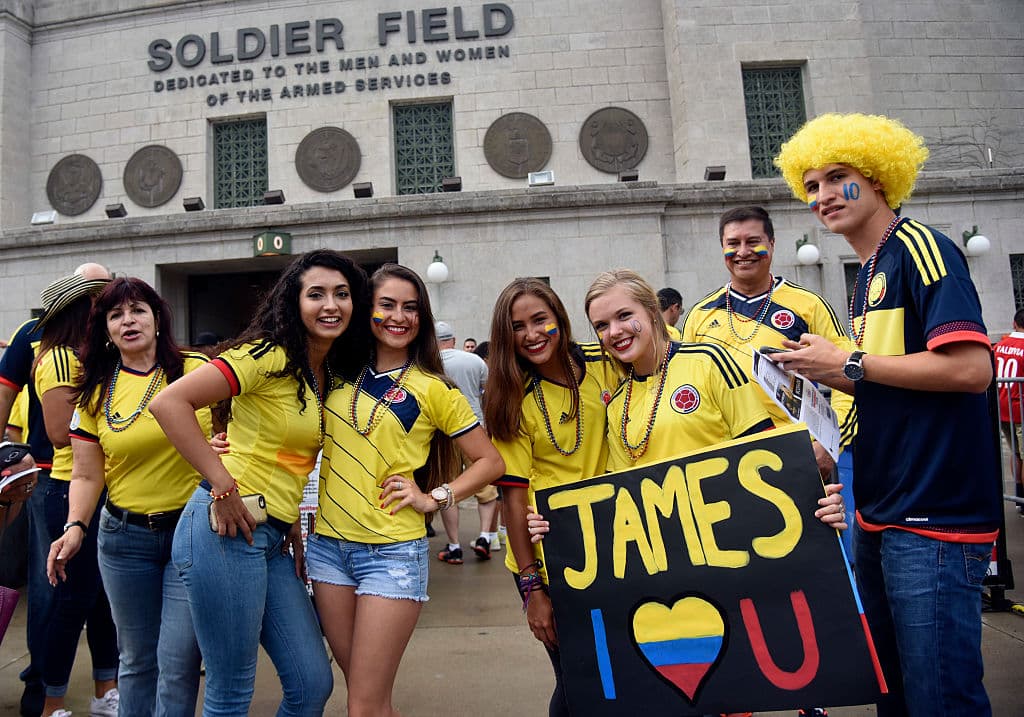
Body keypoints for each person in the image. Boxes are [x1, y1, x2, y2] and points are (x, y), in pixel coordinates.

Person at [530, 270, 847, 717]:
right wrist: (557, 525)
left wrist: (817, 504)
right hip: (670, 583)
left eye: (625, 316)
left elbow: (764, 456)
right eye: (601, 326)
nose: (614, 332)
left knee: (735, 693)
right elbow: (617, 504)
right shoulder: (616, 403)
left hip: (733, 564)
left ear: (653, 313)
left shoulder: (708, 360)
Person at [774, 112, 1001, 716]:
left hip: (934, 517)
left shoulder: (922, 249)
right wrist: (815, 381)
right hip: (881, 513)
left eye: (838, 177)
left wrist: (848, 364)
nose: (823, 195)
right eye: (812, 184)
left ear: (879, 178)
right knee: (896, 695)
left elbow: (970, 369)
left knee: (939, 700)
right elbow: (882, 382)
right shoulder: (868, 271)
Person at [151, 249, 370, 715]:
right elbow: (169, 404)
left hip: (272, 536)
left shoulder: (323, 371)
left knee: (312, 685)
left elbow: (288, 455)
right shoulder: (268, 354)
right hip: (225, 531)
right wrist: (221, 484)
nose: (331, 305)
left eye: (342, 294)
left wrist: (288, 516)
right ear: (294, 302)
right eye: (316, 294)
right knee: (230, 693)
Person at [307, 263, 504, 717]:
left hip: (392, 554)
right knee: (366, 696)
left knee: (363, 706)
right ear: (366, 312)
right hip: (328, 551)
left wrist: (434, 497)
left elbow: (491, 462)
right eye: (387, 305)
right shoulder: (333, 371)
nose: (400, 316)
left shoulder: (434, 388)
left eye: (411, 308)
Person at [45, 278, 209, 716]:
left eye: (137, 310)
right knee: (136, 661)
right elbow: (85, 473)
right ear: (105, 330)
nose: (128, 321)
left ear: (158, 318)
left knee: (178, 663)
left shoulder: (195, 369)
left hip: (189, 536)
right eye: (116, 315)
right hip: (122, 539)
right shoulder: (95, 388)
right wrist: (75, 526)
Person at [484, 278, 620, 717]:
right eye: (517, 326)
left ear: (560, 319)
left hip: (621, 545)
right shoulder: (513, 399)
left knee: (618, 674)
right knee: (579, 680)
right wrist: (533, 590)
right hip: (551, 560)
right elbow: (513, 501)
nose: (531, 334)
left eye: (540, 319)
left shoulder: (606, 361)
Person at [0, 262, 110, 717]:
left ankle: (97, 689)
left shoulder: (104, 341)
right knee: (56, 587)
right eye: (99, 295)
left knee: (97, 588)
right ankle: (42, 689)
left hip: (95, 477)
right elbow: (16, 398)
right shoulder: (44, 341)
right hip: (55, 477)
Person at [682, 205, 857, 480]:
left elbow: (847, 375)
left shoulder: (809, 306)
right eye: (733, 244)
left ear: (772, 244)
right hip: (723, 462)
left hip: (798, 457)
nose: (743, 251)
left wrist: (828, 445)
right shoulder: (700, 314)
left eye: (753, 242)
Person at [32, 272, 120, 717]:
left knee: (102, 600)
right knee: (74, 601)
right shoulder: (63, 359)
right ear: (80, 310)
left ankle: (106, 691)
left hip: (94, 486)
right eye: (100, 303)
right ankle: (51, 704)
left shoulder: (87, 356)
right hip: (70, 489)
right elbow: (58, 433)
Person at [434, 320, 501, 562]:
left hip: (443, 434)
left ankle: (454, 546)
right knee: (485, 486)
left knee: (447, 488)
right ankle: (484, 536)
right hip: (476, 429)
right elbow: (490, 395)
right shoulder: (474, 360)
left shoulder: (430, 363)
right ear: (452, 340)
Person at [994, 309, 1024, 513]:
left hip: (1002, 407)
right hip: (1020, 409)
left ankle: (1019, 497)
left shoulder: (999, 347)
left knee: (1015, 454)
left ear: (1014, 324)